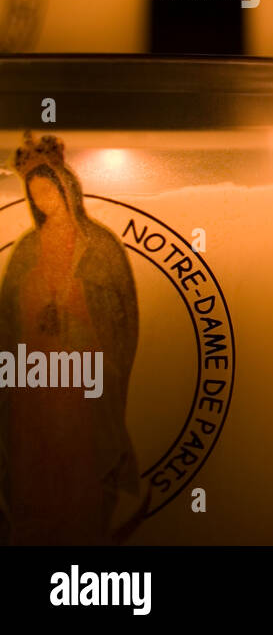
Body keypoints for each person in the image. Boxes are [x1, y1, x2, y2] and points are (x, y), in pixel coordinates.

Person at [0, 132, 141, 545]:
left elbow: (118, 315)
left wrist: (73, 309)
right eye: (35, 194)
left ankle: (84, 519)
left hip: (83, 375)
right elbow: (9, 316)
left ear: (68, 190)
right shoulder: (26, 248)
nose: (44, 201)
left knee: (78, 448)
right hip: (36, 377)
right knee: (36, 450)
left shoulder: (98, 246)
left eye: (50, 191)